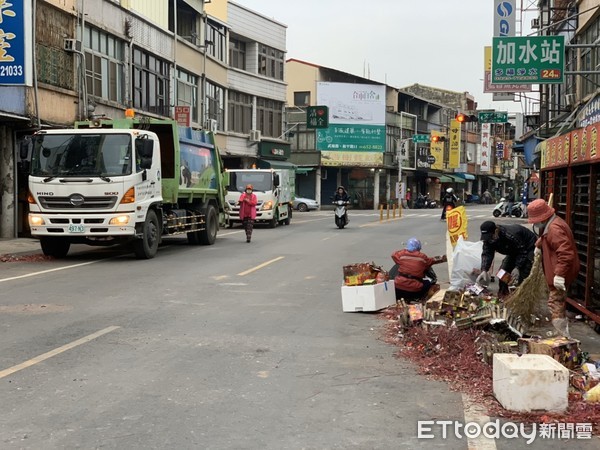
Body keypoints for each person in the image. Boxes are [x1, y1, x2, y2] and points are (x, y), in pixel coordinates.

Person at [527, 199, 580, 337]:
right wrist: (539, 245)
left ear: (542, 218)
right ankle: (561, 333)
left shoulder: (554, 229)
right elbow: (547, 237)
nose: (535, 223)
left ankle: (562, 336)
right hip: (558, 270)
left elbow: (566, 253)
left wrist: (559, 274)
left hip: (561, 272)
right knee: (558, 302)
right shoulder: (553, 223)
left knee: (555, 304)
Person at [476, 221, 537, 297]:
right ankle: (503, 295)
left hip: (528, 248)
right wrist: (484, 270)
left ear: (496, 231)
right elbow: (487, 253)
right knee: (503, 273)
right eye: (487, 238)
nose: (490, 240)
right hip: (513, 250)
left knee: (522, 275)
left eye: (491, 237)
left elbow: (523, 251)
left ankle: (521, 298)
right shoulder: (488, 240)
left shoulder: (511, 235)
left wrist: (517, 267)